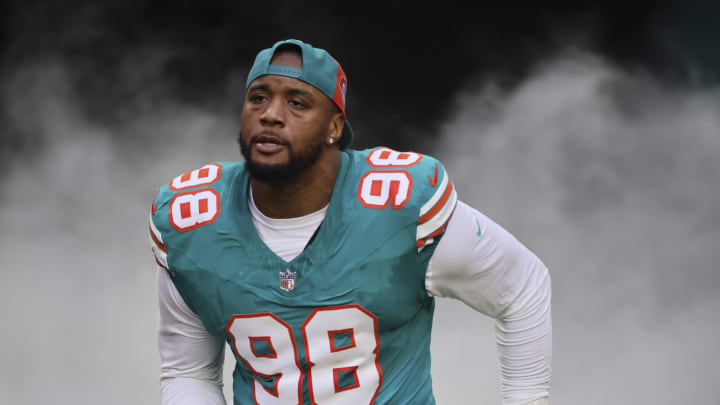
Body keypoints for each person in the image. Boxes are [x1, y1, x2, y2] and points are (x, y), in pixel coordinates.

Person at [149, 39, 552, 405]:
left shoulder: (401, 206)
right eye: (258, 98)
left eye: (297, 102)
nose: (270, 115)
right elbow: (189, 372)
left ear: (334, 127)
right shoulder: (192, 222)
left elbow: (523, 287)